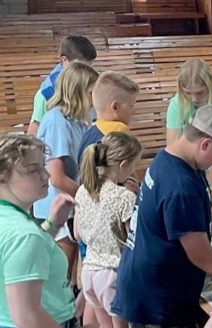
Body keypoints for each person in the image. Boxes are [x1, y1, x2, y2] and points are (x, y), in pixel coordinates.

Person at [112, 105, 212, 327]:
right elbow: (202, 256)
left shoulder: (173, 158)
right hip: (158, 299)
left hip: (152, 283)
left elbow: (207, 215)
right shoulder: (180, 186)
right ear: (206, 144)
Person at [0, 135, 77, 327]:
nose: (47, 175)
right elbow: (28, 318)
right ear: (3, 175)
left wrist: (52, 225)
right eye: (34, 169)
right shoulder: (24, 235)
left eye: (43, 165)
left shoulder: (9, 219)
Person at [34, 61, 99, 281]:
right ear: (78, 91)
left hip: (72, 201)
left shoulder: (80, 120)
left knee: (71, 269)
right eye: (92, 92)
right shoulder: (56, 121)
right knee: (60, 271)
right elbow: (57, 177)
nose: (95, 99)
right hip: (57, 206)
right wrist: (92, 196)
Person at [74, 132, 142, 328]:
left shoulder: (83, 190)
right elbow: (133, 240)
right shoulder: (124, 197)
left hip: (89, 271)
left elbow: (78, 234)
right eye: (134, 164)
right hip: (114, 272)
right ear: (123, 165)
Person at [77, 71, 140, 184]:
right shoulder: (118, 131)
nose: (134, 111)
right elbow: (129, 171)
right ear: (115, 107)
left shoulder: (88, 132)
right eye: (131, 105)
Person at [28, 35, 97, 136]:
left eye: (90, 66)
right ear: (64, 60)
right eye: (80, 66)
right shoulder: (46, 92)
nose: (86, 71)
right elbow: (34, 130)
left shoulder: (90, 88)